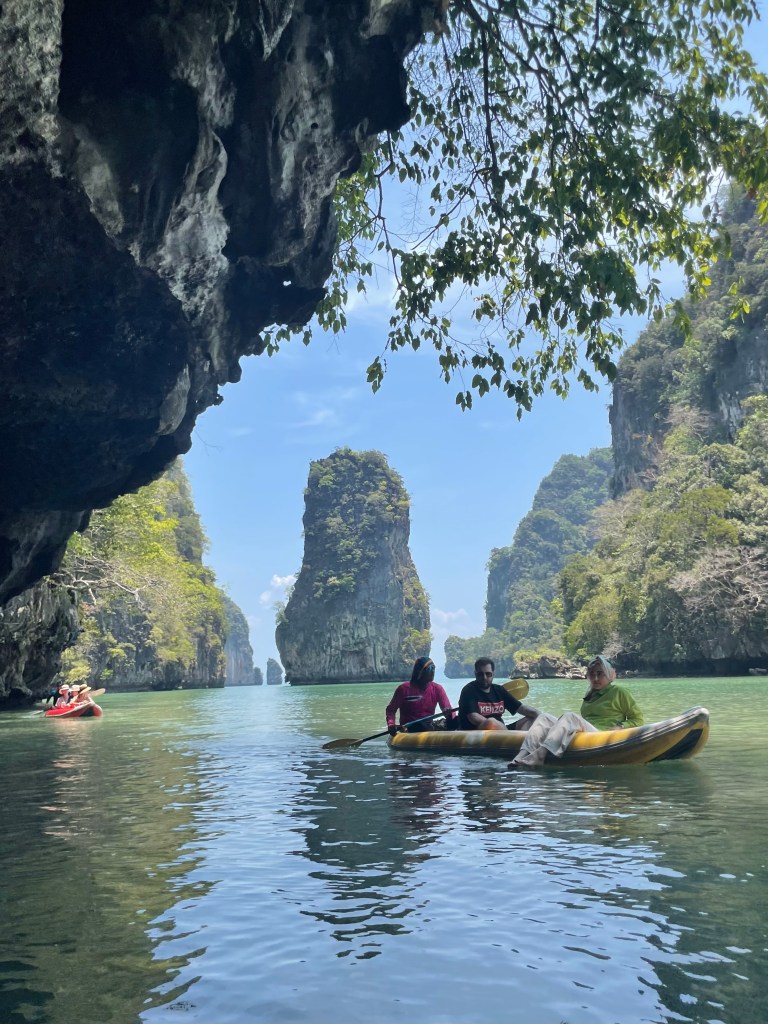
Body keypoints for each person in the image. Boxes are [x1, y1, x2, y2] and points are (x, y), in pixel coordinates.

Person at [509, 655, 644, 767]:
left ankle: (540, 755)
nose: (595, 678)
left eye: (600, 674)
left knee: (570, 716)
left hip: (602, 734)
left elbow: (638, 719)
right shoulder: (591, 694)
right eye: (592, 674)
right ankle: (520, 756)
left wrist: (621, 726)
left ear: (608, 674)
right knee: (544, 718)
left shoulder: (619, 692)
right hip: (586, 733)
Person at [457, 657, 541, 731]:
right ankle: (510, 738)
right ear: (475, 674)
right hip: (478, 733)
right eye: (480, 674)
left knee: (534, 718)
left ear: (493, 673)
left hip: (502, 732)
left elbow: (520, 708)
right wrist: (502, 730)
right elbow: (473, 717)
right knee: (491, 722)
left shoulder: (499, 690)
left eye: (488, 674)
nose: (484, 677)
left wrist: (540, 715)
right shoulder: (468, 690)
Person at [386, 657, 456, 735]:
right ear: (419, 671)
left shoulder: (437, 688)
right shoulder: (403, 689)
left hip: (429, 726)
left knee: (457, 720)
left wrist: (449, 714)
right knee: (420, 726)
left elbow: (448, 708)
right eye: (429, 668)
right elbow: (391, 710)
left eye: (433, 668)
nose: (432, 671)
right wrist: (391, 724)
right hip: (410, 728)